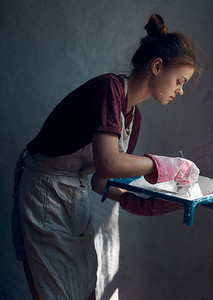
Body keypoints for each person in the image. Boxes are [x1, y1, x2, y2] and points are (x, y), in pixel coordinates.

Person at [11, 13, 200, 300]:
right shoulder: (109, 89)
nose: (181, 90)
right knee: (56, 290)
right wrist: (165, 166)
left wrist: (142, 202)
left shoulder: (133, 118)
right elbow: (108, 162)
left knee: (85, 284)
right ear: (158, 66)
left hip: (74, 194)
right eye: (180, 80)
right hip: (44, 191)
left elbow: (101, 180)